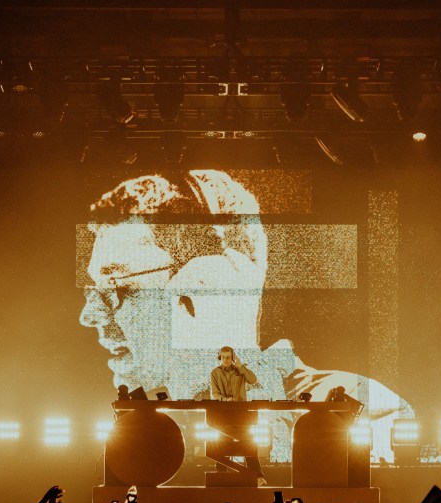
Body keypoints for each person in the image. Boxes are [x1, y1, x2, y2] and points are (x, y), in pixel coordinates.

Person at [79, 170, 414, 462]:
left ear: (204, 283)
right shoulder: (148, 437)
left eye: (115, 287)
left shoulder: (367, 410)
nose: (90, 314)